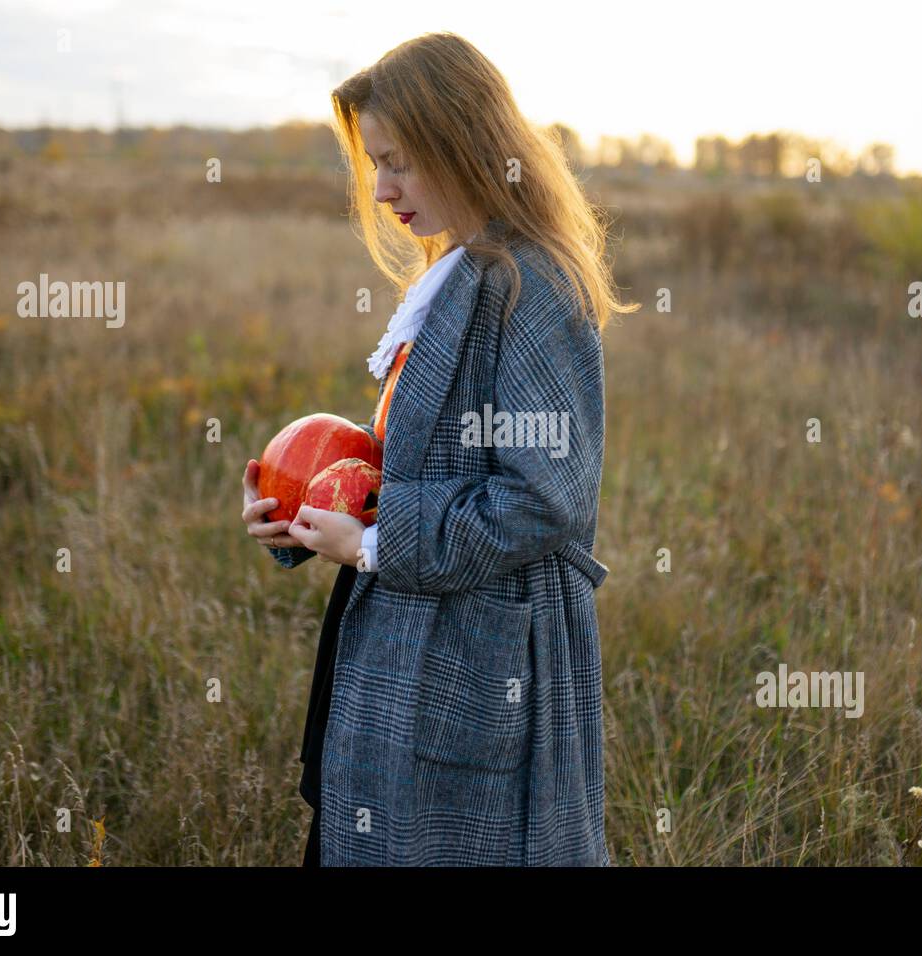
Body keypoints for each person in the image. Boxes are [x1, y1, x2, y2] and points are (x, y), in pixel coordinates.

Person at [240, 31, 637, 866]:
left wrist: (379, 540)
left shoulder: (530, 287)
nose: (381, 190)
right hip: (412, 647)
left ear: (466, 143)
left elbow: (544, 498)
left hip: (484, 668)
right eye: (374, 164)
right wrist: (308, 508)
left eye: (399, 162)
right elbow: (423, 466)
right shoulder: (458, 272)